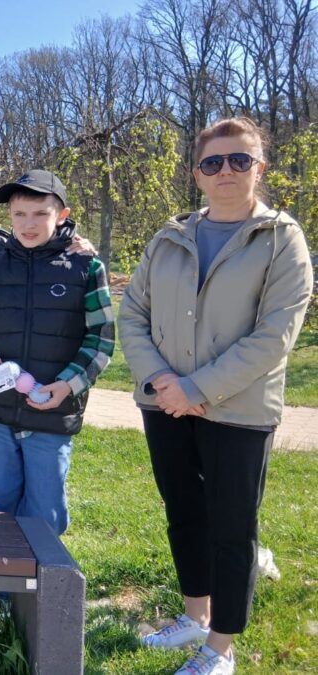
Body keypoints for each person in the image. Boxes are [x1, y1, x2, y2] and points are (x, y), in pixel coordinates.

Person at [118, 117, 313, 675]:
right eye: (212, 162)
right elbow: (133, 314)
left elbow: (275, 336)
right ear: (197, 174)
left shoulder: (282, 240)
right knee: (184, 514)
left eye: (239, 160)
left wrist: (197, 389)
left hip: (239, 411)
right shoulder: (168, 237)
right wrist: (163, 383)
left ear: (260, 168)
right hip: (165, 405)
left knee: (232, 528)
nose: (225, 170)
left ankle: (221, 648)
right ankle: (195, 617)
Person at [0, 169, 114, 538]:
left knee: (46, 510)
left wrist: (68, 385)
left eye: (40, 214)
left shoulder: (86, 268)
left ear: (61, 215)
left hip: (52, 411)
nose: (28, 224)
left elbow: (102, 338)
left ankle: (43, 587)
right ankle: (4, 589)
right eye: (19, 214)